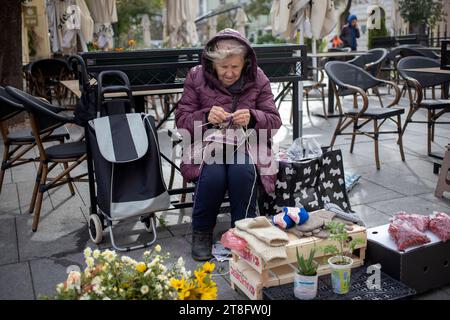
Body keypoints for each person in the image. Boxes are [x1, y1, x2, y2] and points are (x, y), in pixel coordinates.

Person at [175, 28, 282, 261]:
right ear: (213, 64)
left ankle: (243, 232)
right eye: (224, 67)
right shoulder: (196, 76)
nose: (230, 73)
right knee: (213, 172)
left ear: (245, 63)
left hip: (247, 144)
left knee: (242, 170)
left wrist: (253, 117)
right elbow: (181, 122)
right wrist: (205, 116)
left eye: (236, 66)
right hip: (206, 144)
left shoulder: (258, 77)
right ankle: (202, 231)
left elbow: (274, 121)